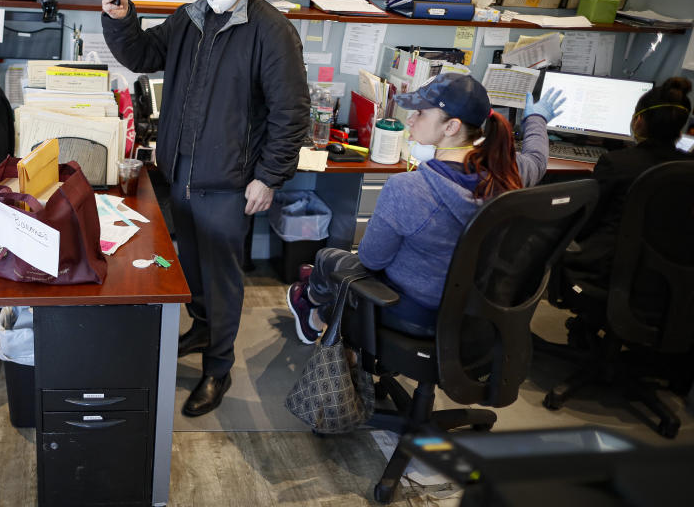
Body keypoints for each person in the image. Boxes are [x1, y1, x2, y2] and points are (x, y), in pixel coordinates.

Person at [100, 0, 310, 416]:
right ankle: (201, 329)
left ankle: (218, 368)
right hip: (179, 173)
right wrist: (121, 16)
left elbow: (290, 112)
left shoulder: (271, 31)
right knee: (190, 269)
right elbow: (142, 54)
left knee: (222, 280)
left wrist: (268, 177)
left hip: (228, 183)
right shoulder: (191, 16)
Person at [287, 72, 564, 341]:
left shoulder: (409, 188)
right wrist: (536, 118)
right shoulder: (509, 172)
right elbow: (537, 159)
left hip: (410, 314)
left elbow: (372, 260)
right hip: (475, 318)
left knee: (328, 258)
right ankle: (318, 304)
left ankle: (314, 310)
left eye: (421, 113)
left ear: (451, 127)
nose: (410, 118)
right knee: (339, 272)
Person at [556, 76, 692, 320]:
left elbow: (585, 223)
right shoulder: (687, 169)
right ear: (679, 129)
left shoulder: (616, 163)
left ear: (639, 121)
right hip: (670, 286)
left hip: (610, 276)